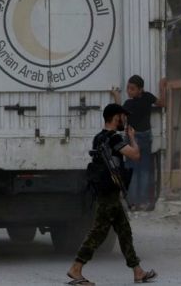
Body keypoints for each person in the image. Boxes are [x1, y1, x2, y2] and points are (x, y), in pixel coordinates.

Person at [66, 104, 157, 285]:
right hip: (108, 194)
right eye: (123, 117)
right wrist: (132, 138)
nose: (124, 120)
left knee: (124, 232)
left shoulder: (98, 138)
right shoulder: (115, 139)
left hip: (107, 192)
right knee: (98, 233)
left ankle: (137, 271)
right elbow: (135, 155)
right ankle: (76, 268)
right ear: (116, 117)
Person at [112, 75, 166, 210]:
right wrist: (162, 88)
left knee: (132, 170)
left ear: (140, 90)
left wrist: (116, 96)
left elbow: (121, 119)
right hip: (146, 137)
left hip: (131, 139)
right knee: (145, 169)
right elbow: (162, 103)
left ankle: (133, 203)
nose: (129, 91)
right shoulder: (148, 97)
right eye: (128, 89)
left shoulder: (128, 104)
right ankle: (144, 202)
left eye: (132, 89)